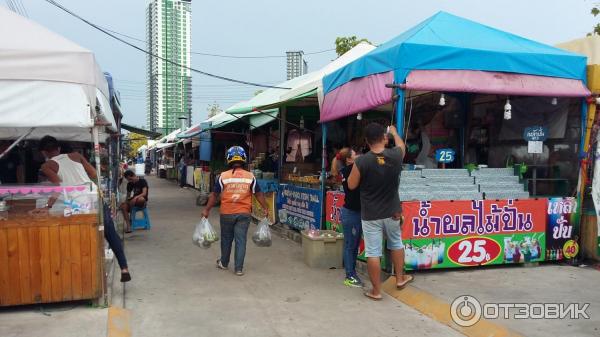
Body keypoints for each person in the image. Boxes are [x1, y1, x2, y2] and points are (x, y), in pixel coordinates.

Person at [37, 136, 131, 282]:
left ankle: (88, 276)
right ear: (59, 148)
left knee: (84, 237)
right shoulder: (76, 156)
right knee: (109, 232)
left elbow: (57, 185)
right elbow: (94, 173)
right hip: (93, 196)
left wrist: (47, 206)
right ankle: (124, 268)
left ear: (44, 152)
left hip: (76, 204)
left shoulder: (47, 166)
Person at [348, 123, 412, 300]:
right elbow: (401, 146)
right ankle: (400, 279)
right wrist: (394, 133)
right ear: (384, 138)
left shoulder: (361, 161)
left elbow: (351, 185)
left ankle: (376, 291)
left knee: (373, 252)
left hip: (371, 214)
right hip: (393, 211)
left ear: (366, 141)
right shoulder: (395, 155)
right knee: (396, 243)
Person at [201, 146, 269, 276]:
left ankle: (224, 263)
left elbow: (214, 195)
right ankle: (239, 268)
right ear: (243, 159)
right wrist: (265, 208)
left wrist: (206, 210)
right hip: (244, 214)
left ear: (228, 159)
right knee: (241, 240)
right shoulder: (250, 177)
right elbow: (258, 194)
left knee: (226, 239)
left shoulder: (223, 176)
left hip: (227, 213)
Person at [332, 147, 363, 288]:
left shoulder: (346, 170)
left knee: (354, 245)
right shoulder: (350, 170)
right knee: (351, 245)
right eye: (355, 154)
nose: (358, 156)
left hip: (355, 212)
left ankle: (352, 272)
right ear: (349, 159)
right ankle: (349, 275)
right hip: (351, 213)